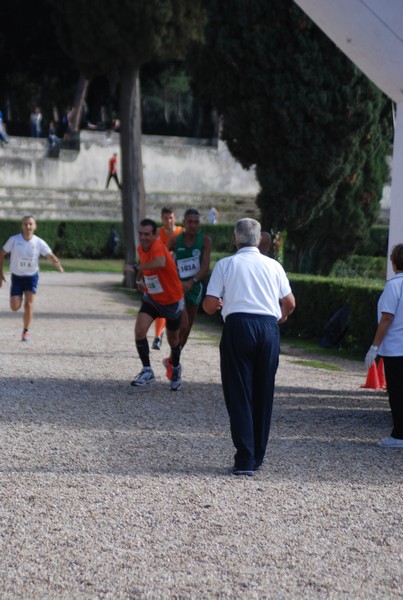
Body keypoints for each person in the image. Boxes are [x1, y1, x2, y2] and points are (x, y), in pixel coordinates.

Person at [203, 218, 296, 476]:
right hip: (268, 328)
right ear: (259, 240)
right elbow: (290, 302)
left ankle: (244, 458)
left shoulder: (226, 264)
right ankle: (258, 456)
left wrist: (216, 304)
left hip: (239, 326)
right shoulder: (273, 265)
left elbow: (210, 304)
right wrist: (281, 316)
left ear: (235, 239)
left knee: (239, 392)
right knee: (263, 391)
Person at [124, 218, 184, 391]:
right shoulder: (141, 248)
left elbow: (160, 263)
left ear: (154, 235)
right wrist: (139, 279)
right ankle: (147, 370)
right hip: (153, 298)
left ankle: (176, 367)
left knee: (174, 341)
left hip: (172, 300)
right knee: (140, 330)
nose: (143, 238)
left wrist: (136, 268)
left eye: (147, 234)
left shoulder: (158, 246)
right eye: (141, 234)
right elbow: (146, 266)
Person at [164, 208, 212, 378]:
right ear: (184, 223)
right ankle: (173, 360)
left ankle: (172, 359)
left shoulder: (205, 241)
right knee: (182, 324)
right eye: (190, 222)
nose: (193, 225)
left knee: (187, 328)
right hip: (177, 288)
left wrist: (191, 282)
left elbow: (205, 266)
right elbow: (162, 255)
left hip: (194, 288)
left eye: (196, 222)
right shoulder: (176, 240)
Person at [0, 215, 64, 342]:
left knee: (29, 305)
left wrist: (57, 263)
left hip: (31, 277)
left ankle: (25, 332)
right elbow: (1, 253)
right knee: (14, 307)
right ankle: (19, 297)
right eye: (25, 224)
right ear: (22, 226)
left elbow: (49, 254)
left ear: (35, 226)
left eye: (30, 224)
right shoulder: (14, 240)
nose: (28, 226)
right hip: (17, 277)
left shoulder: (39, 242)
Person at [365, 243, 403, 448]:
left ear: (394, 262)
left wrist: (374, 346)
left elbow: (387, 317)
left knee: (397, 392)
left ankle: (399, 434)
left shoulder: (394, 285)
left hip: (397, 348)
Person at [152, 207, 183, 351]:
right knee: (161, 304)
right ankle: (158, 336)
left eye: (171, 217)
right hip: (162, 274)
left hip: (177, 274)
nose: (168, 221)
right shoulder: (158, 233)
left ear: (175, 218)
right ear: (162, 219)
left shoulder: (180, 233)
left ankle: (171, 335)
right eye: (165, 218)